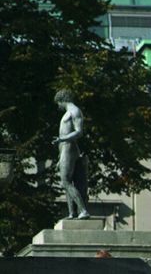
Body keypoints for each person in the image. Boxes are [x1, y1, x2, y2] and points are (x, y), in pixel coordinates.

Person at [53, 89, 90, 220]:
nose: (58, 106)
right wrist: (59, 157)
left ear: (62, 100)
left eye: (58, 103)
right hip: (65, 149)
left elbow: (79, 132)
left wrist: (63, 139)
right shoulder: (69, 112)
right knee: (67, 181)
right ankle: (72, 213)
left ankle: (83, 210)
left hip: (69, 147)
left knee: (66, 181)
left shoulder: (74, 111)